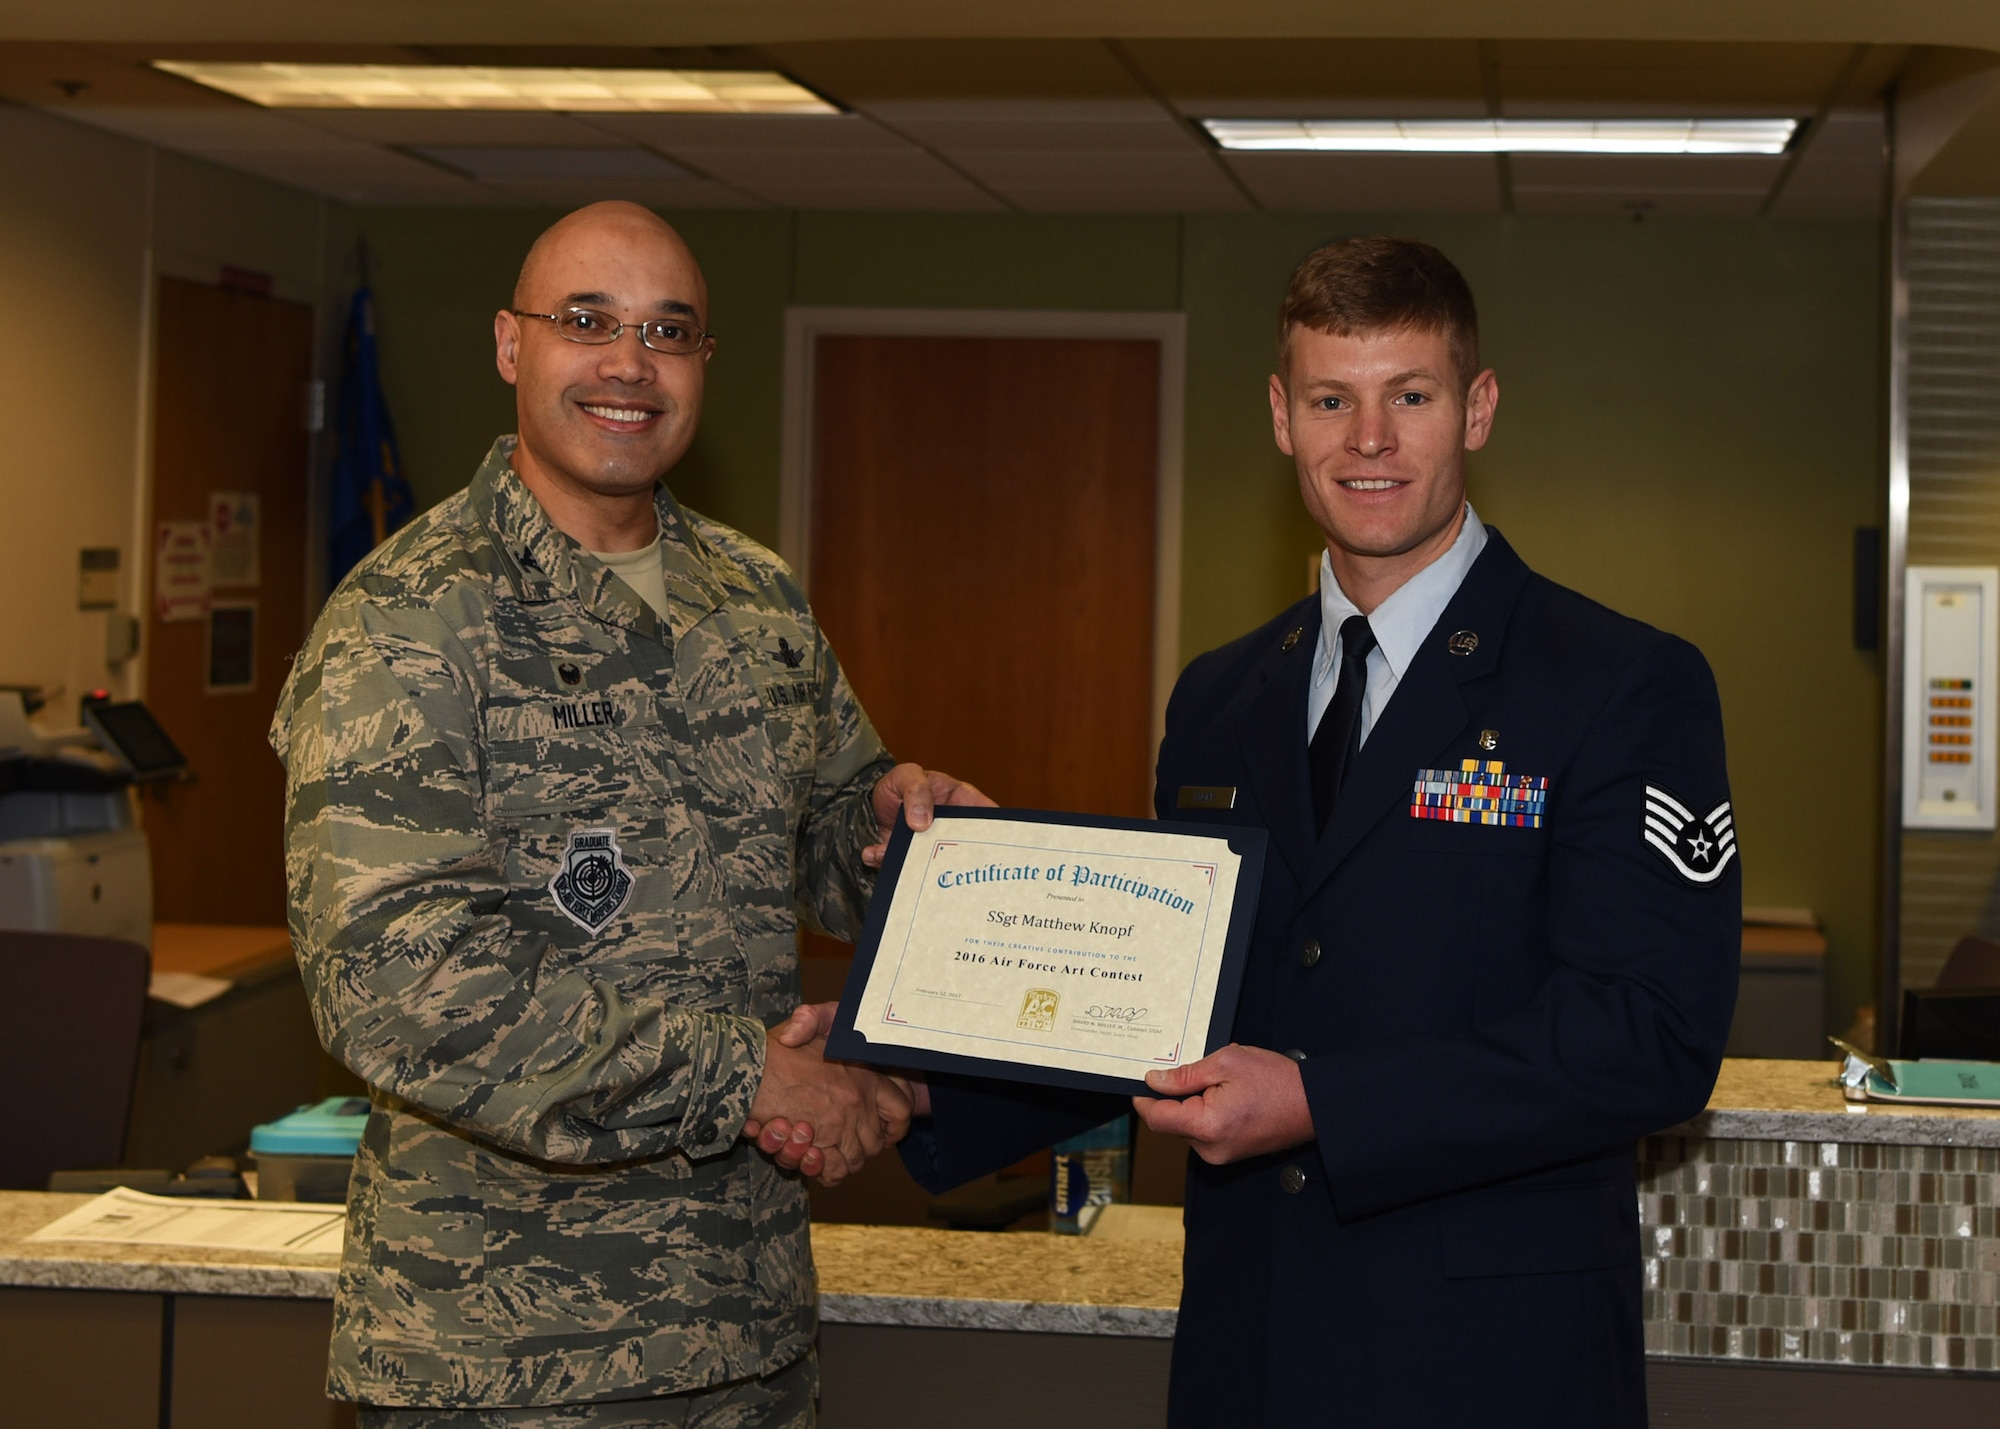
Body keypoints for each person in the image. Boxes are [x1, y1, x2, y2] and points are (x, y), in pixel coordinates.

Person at [759, 236, 1740, 1426]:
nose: (1366, 440)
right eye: (1331, 398)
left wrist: (1324, 1101)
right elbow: (1170, 1009)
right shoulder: (1220, 698)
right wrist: (918, 1063)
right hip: (1253, 1341)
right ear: (1281, 416)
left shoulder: (1616, 682)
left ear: (1474, 409)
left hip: (1489, 1358)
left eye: (1408, 397)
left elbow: (1648, 1035)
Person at [272, 200, 982, 1427]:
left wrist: (906, 838)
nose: (627, 363)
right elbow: (396, 984)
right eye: (585, 321)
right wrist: (747, 1078)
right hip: (507, 1358)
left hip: (744, 1327)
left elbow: (820, 845)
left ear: (704, 364)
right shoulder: (408, 620)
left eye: (668, 330)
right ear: (509, 346)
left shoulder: (752, 596)